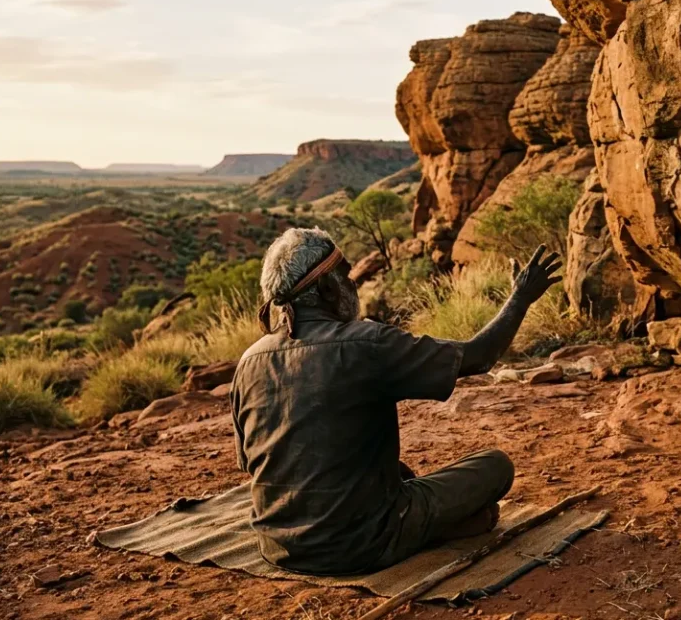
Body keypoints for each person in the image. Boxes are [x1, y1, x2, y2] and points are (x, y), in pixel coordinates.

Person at [230, 227, 562, 575]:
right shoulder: (365, 343)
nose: (352, 284)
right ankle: (425, 529)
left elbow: (250, 463)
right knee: (495, 466)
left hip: (278, 548)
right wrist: (521, 297)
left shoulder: (249, 361)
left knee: (397, 475)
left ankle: (431, 521)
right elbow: (477, 357)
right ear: (329, 289)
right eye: (346, 275)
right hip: (363, 544)